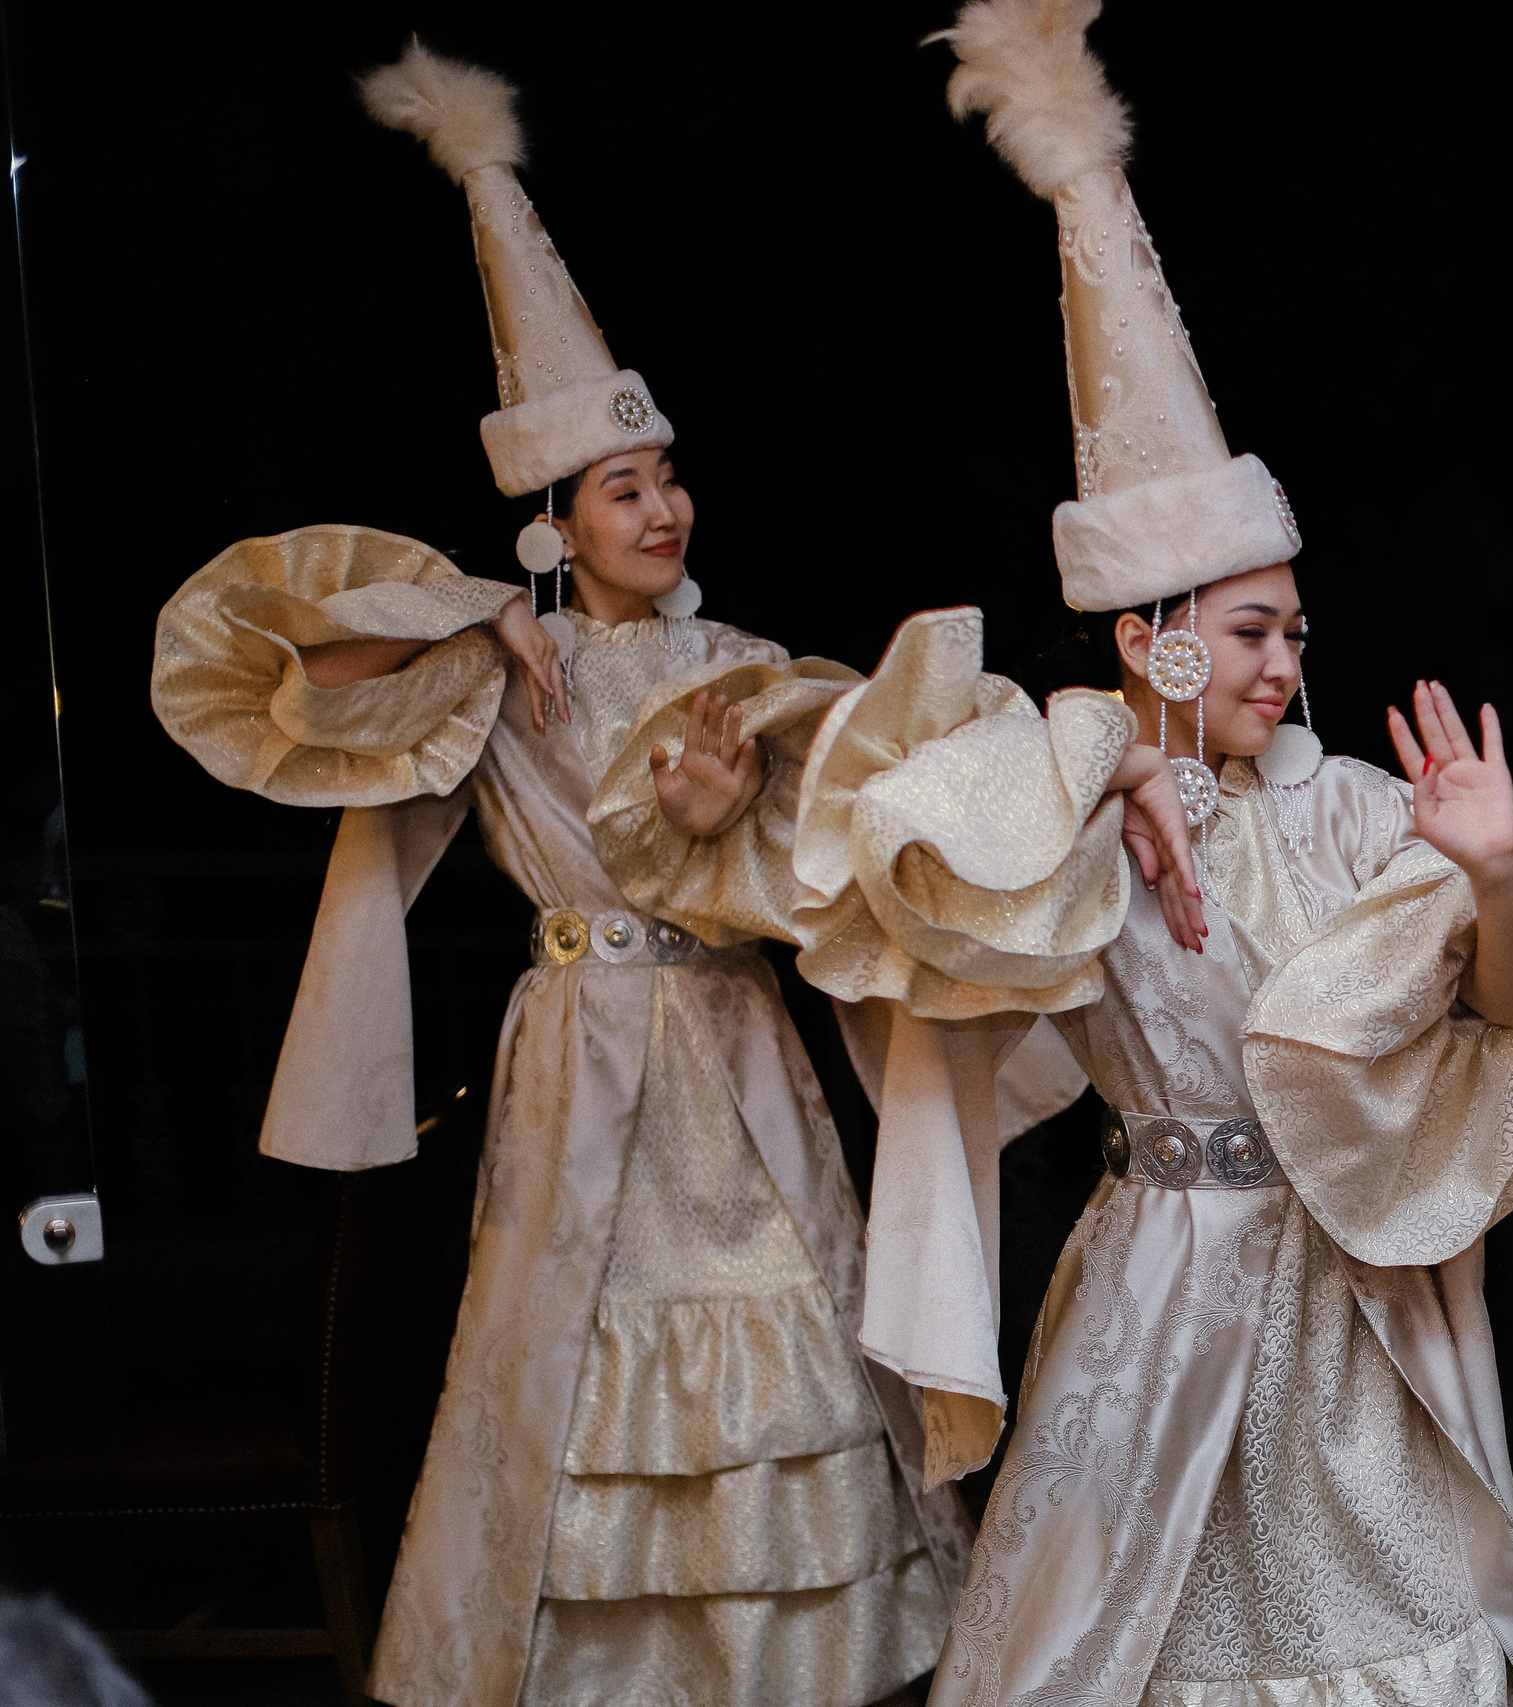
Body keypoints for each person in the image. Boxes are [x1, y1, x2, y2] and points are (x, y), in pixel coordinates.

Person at [651, 5, 1513, 1700]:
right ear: (1153, 638)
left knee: (1382, 1619)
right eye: (1253, 630)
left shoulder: (1350, 804)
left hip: (1346, 1291)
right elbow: (890, 842)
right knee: (1124, 1631)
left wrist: (1492, 873)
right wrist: (1109, 763)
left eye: (1293, 630)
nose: (1285, 662)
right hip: (1157, 1285)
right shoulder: (1062, 800)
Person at [148, 43, 966, 1706]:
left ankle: (800, 1664)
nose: (661, 508)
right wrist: (467, 612)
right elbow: (262, 669)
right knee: (573, 1351)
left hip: (727, 1043)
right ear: (556, 520)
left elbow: (838, 846)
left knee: (781, 1328)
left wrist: (731, 815)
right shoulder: (492, 668)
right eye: (621, 487)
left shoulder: (741, 661)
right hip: (576, 1053)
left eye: (667, 478)